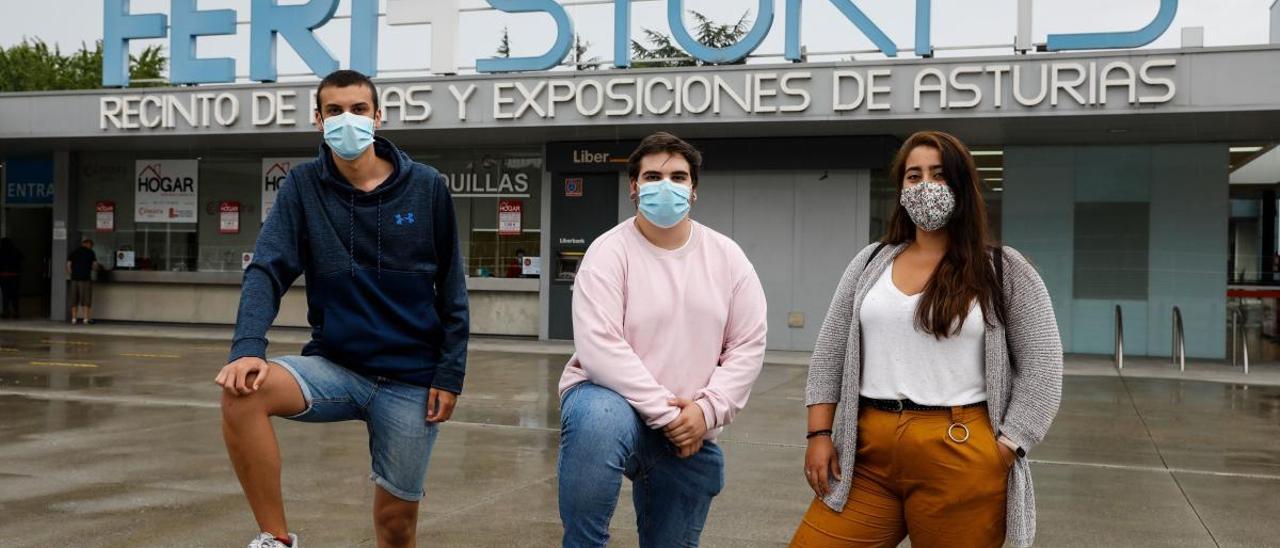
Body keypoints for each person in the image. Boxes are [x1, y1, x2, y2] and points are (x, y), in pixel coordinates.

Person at [215, 70, 469, 548]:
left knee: (396, 528)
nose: (346, 119)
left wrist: (449, 374)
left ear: (378, 116)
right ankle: (276, 540)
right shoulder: (303, 187)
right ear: (318, 120)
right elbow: (266, 269)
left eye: (357, 109)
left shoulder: (427, 187)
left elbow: (452, 289)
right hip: (335, 367)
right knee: (243, 392)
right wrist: (247, 348)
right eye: (334, 111)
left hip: (410, 380)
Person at [789, 131, 1063, 548]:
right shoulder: (869, 263)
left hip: (959, 448)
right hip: (866, 452)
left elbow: (1042, 368)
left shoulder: (1002, 269)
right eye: (913, 176)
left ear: (961, 186)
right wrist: (819, 436)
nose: (925, 186)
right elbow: (830, 353)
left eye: (938, 174)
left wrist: (1007, 446)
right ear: (900, 189)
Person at [557, 132, 769, 547]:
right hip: (613, 404)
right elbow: (601, 346)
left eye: (678, 176)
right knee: (599, 418)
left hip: (688, 424)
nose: (665, 185)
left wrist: (706, 411)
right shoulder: (608, 252)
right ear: (633, 187)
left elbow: (747, 344)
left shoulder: (727, 257)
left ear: (694, 190)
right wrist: (668, 415)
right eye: (652, 176)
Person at [66, 238, 100, 325]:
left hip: (74, 279)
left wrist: (73, 274)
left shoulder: (74, 252)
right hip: (85, 279)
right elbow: (95, 266)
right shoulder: (90, 252)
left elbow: (68, 265)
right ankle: (85, 319)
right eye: (91, 246)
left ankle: (74, 319)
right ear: (89, 244)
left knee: (74, 299)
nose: (91, 247)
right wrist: (96, 269)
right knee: (86, 299)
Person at [0, 237, 22, 319]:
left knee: (5, 295)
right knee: (14, 295)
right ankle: (16, 312)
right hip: (15, 276)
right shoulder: (15, 250)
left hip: (3, 276)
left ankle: (5, 311)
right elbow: (22, 257)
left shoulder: (1, 251)